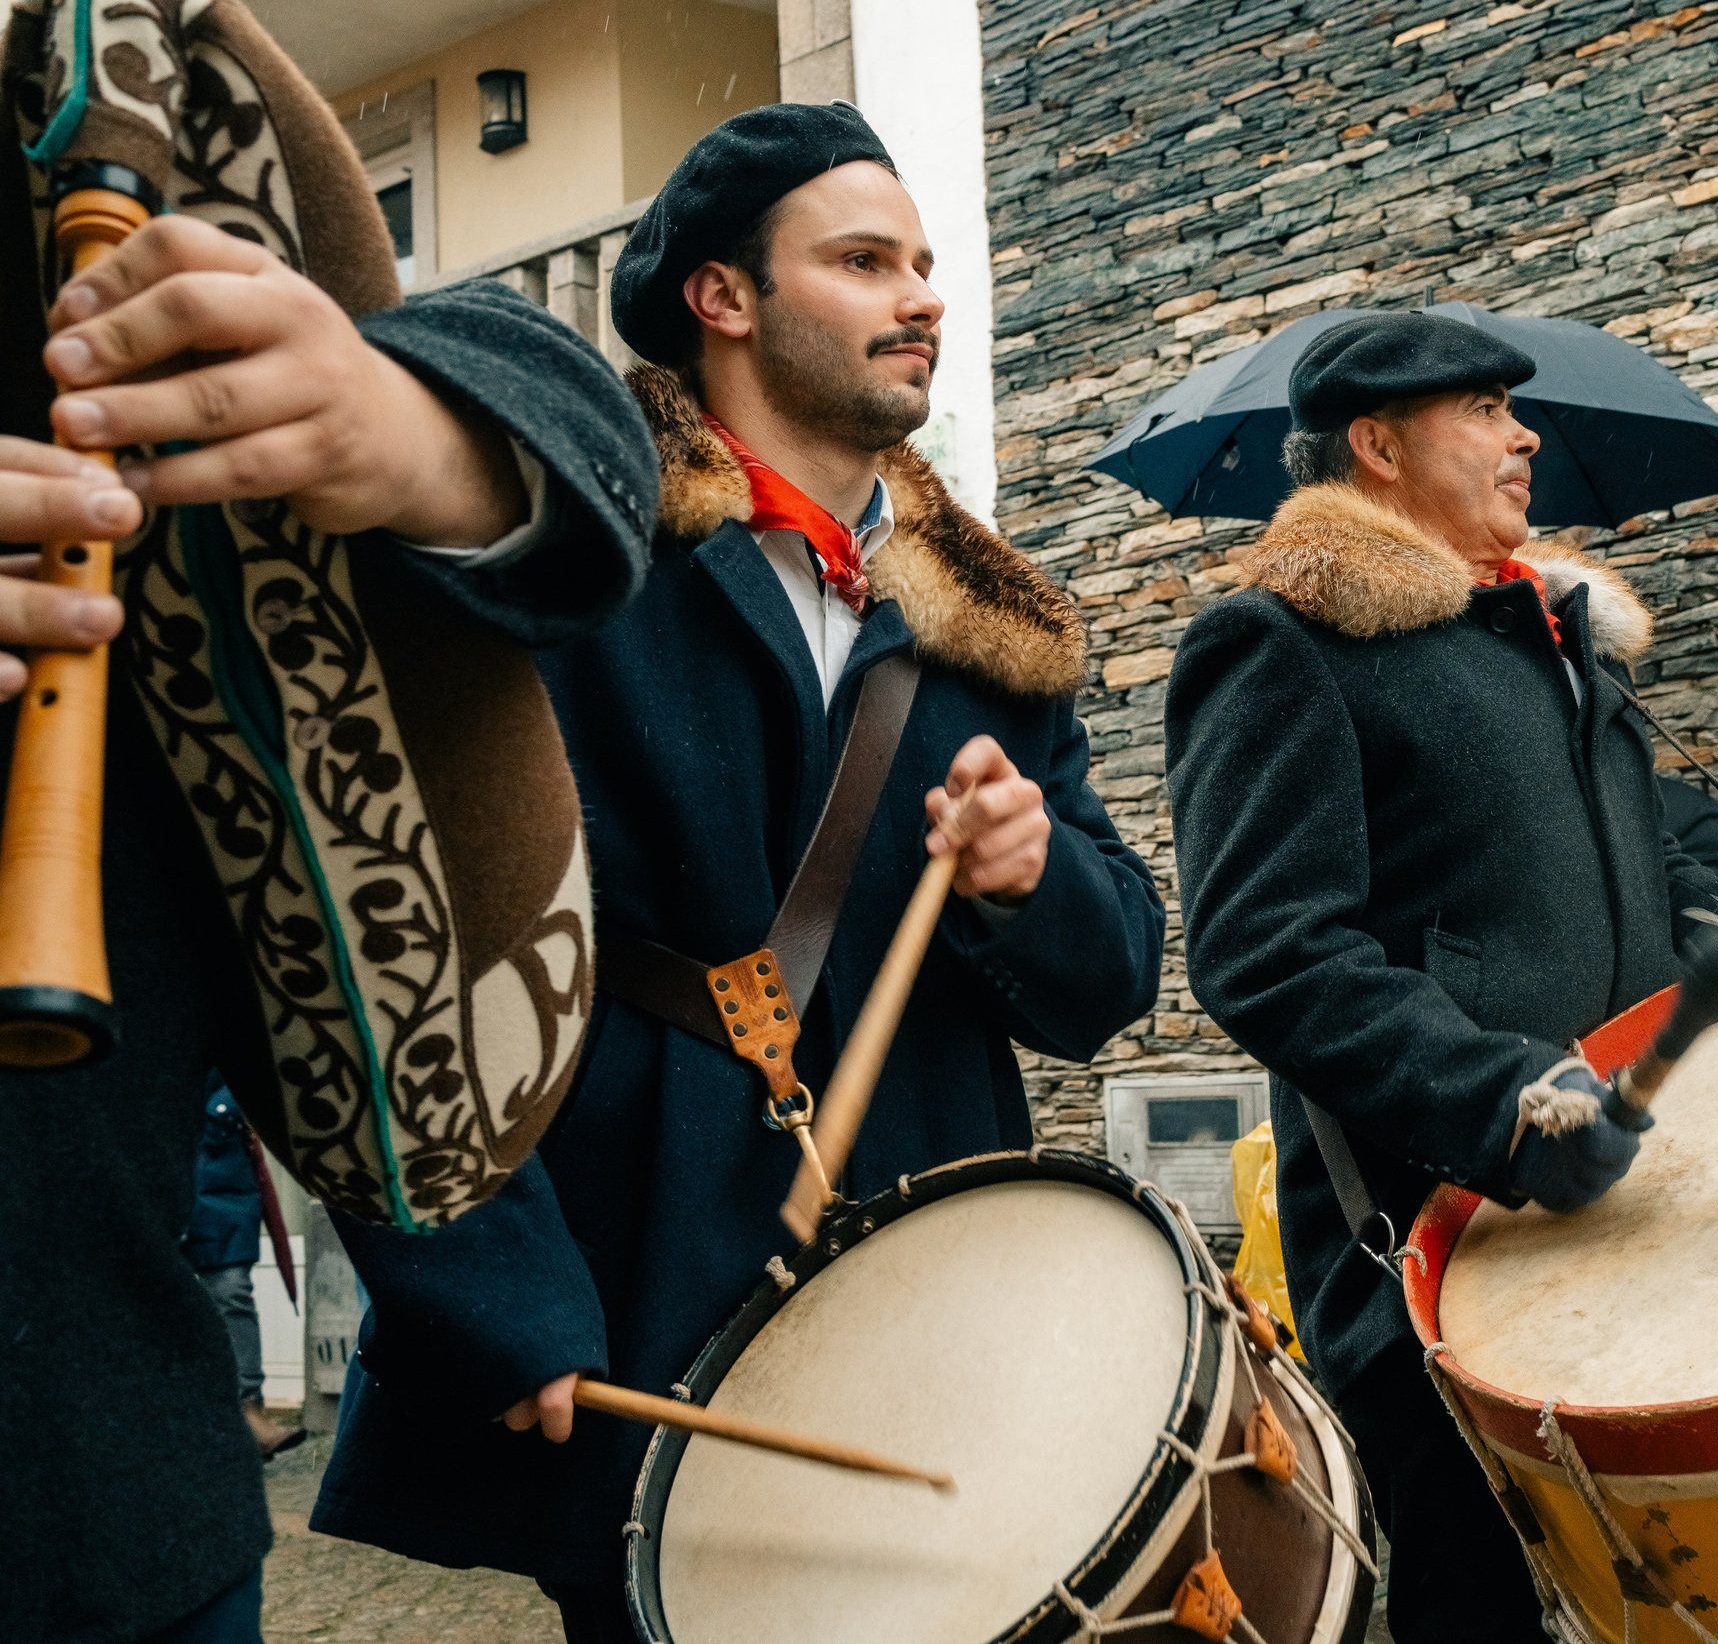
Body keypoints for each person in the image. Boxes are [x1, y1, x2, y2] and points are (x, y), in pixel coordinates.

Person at [308, 103, 1165, 1638]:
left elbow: (1108, 986)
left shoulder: (992, 630)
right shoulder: (575, 564)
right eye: (861, 260)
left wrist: (1031, 876)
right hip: (645, 1252)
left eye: (923, 263)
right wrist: (487, 1290)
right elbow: (391, 934)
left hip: (935, 1262)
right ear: (724, 298)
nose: (923, 297)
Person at [0, 220, 657, 1642]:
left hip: (97, 1496)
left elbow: (357, 922)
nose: (913, 299)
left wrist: (409, 430)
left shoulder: (56, 195)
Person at [1167, 311, 1718, 1644]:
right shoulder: (1282, 641)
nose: (1523, 432)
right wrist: (1515, 1105)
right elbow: (1270, 952)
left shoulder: (1548, 637)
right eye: (1486, 407)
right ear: (1377, 444)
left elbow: (1665, 854)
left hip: (1629, 1202)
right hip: (1439, 1239)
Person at [184, 1073, 304, 1461]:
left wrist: (233, 1106)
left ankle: (249, 1415)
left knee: (231, 1289)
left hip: (221, 1163)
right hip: (152, 1152)